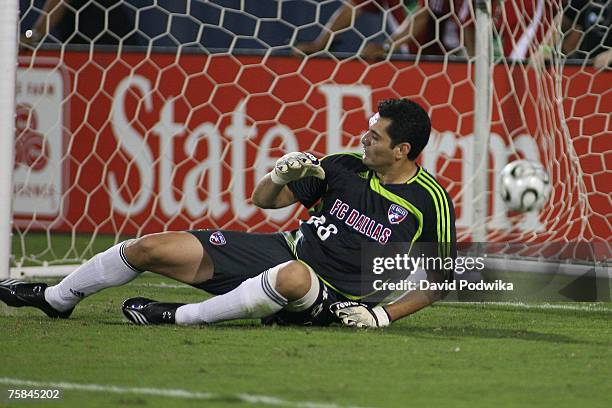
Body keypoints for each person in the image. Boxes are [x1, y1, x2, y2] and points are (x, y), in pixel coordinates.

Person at [1, 99, 456, 329]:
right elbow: (265, 201)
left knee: (294, 277)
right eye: (366, 130)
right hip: (281, 252)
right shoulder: (342, 166)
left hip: (335, 297)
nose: (364, 138)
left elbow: (444, 281)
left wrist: (383, 316)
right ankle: (55, 299)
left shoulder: (430, 200)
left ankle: (179, 317)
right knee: (150, 247)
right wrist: (279, 175)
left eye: (375, 137)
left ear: (402, 150)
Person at [360, 0, 468, 59]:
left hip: (452, 56)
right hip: (417, 57)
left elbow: (421, 18)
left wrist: (386, 47)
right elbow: (354, 7)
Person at [294, 0, 409, 55]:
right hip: (412, 59)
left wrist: (386, 47)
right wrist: (320, 44)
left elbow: (421, 17)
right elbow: (352, 8)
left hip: (424, 58)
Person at [562, 0, 611, 69]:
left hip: (607, 67)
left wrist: (610, 54)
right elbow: (561, 25)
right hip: (582, 65)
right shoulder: (579, 3)